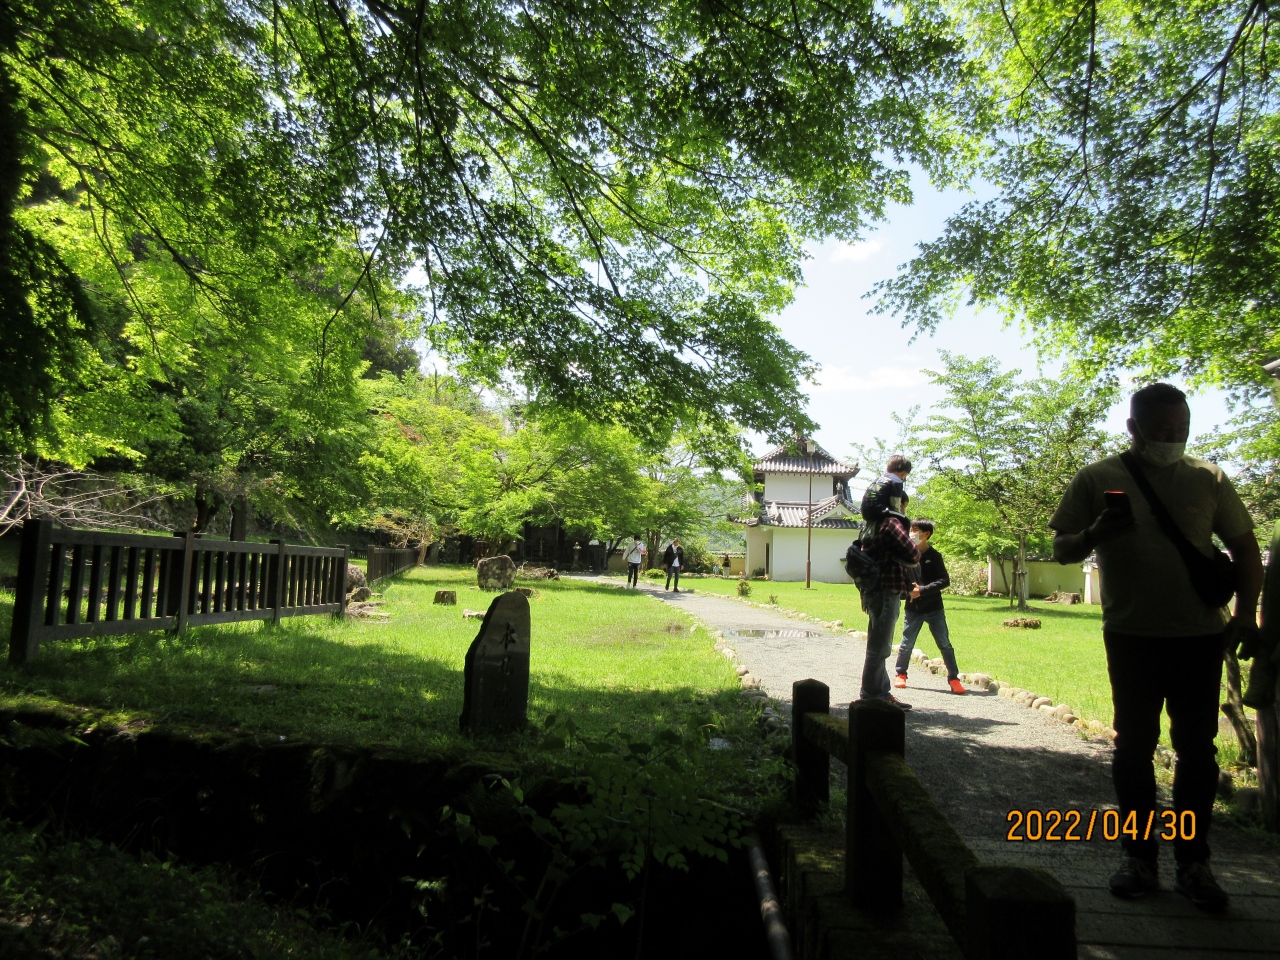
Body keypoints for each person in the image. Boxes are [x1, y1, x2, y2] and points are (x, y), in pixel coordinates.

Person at [1049, 382, 1262, 912]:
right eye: (1161, 429)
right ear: (1133, 428)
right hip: (1131, 635)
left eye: (1181, 429)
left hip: (1200, 636)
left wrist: (1244, 615)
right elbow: (1062, 549)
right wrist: (1096, 532)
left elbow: (1245, 548)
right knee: (1134, 746)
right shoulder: (1096, 477)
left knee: (1197, 750)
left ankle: (1194, 863)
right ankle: (1139, 858)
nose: (1172, 437)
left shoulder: (1209, 477)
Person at [857, 456, 920, 709]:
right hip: (887, 589)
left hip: (872, 590)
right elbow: (913, 555)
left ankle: (880, 692)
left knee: (876, 642)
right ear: (898, 502)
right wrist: (911, 542)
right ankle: (873, 695)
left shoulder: (869, 526)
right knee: (881, 646)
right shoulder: (892, 523)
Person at [893, 520, 965, 695]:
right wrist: (908, 591)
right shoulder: (906, 556)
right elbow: (899, 578)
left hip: (934, 608)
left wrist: (922, 590)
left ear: (926, 534)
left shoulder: (935, 556)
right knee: (906, 643)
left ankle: (954, 678)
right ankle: (901, 674)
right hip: (913, 609)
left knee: (944, 643)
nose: (911, 533)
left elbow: (944, 580)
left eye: (915, 530)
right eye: (910, 529)